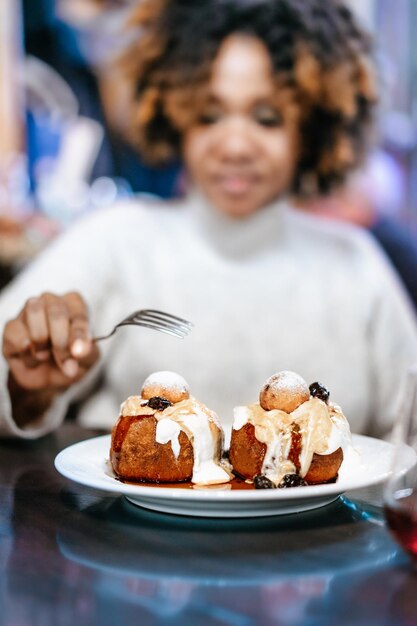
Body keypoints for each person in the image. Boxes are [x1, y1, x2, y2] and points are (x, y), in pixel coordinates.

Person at [1, 0, 416, 441]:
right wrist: (27, 390)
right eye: (208, 114)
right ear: (174, 113)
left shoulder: (356, 263)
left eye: (267, 118)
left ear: (310, 127)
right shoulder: (116, 239)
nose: (235, 145)